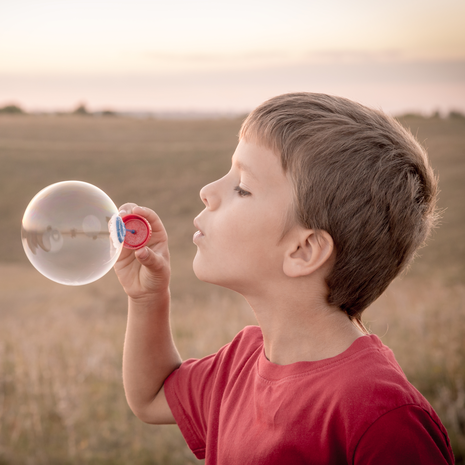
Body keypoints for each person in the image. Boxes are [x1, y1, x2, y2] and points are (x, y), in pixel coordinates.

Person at [114, 93, 454, 464]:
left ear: (303, 251)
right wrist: (147, 298)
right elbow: (152, 397)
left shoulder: (383, 417)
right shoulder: (242, 361)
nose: (207, 192)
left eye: (242, 186)